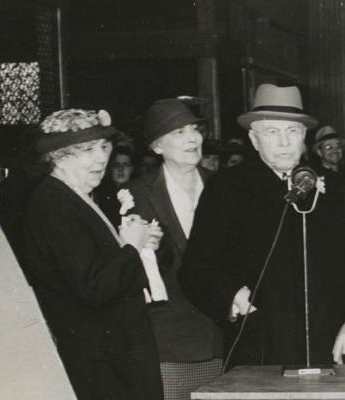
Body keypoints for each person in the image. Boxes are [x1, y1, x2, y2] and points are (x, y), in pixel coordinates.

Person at [179, 84, 345, 367]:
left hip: (332, 344)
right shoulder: (227, 187)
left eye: (292, 131)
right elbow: (195, 268)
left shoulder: (337, 188)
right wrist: (232, 296)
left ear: (304, 136)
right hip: (261, 345)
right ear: (254, 139)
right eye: (272, 132)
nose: (284, 142)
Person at [21, 108, 164, 399]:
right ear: (59, 156)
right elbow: (93, 287)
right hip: (101, 367)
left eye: (104, 147)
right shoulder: (55, 204)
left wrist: (140, 244)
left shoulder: (75, 196)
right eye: (88, 150)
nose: (101, 158)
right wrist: (130, 247)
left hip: (111, 359)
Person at [127, 98, 223, 400]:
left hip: (219, 336)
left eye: (195, 130)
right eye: (179, 132)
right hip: (167, 339)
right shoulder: (137, 194)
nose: (193, 138)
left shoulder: (223, 187)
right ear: (157, 146)